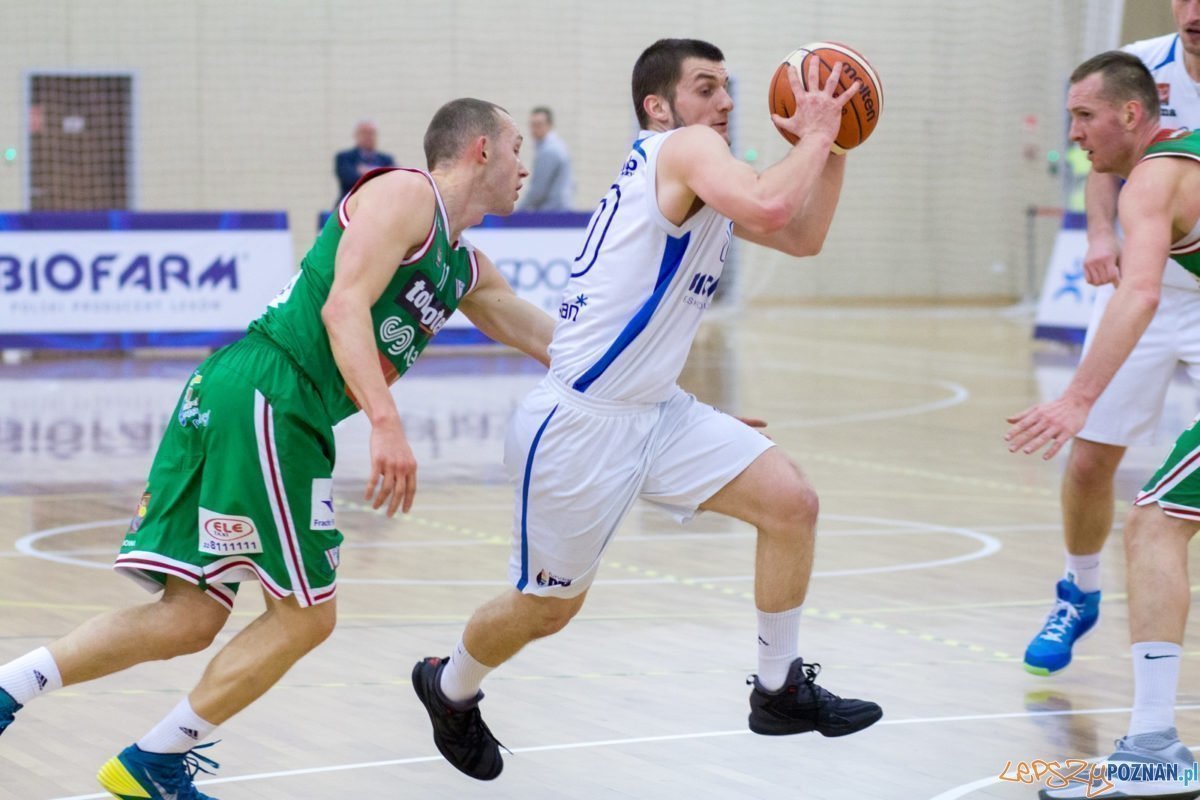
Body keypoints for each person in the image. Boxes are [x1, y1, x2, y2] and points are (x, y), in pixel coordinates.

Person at [0, 98, 551, 799]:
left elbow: (555, 344)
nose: (522, 166)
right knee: (308, 615)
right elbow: (342, 305)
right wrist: (385, 423)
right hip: (274, 392)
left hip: (245, 396)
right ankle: (156, 760)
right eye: (512, 149)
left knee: (191, 616)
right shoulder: (406, 194)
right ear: (479, 149)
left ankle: (10, 692)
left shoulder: (465, 268)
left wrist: (677, 405)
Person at [411, 38, 882, 783]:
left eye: (728, 87)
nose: (724, 102)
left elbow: (800, 233)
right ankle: (449, 685)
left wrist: (841, 144)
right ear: (658, 108)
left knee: (791, 502)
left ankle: (778, 688)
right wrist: (821, 130)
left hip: (658, 411)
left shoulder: (701, 171)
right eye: (705, 88)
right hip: (582, 425)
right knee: (547, 610)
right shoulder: (683, 148)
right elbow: (773, 201)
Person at [1008, 51, 1200, 796]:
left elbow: (1141, 292)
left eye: (1084, 116)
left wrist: (1078, 396)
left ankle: (1154, 745)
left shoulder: (1152, 180)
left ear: (1130, 113)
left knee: (1153, 522)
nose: (1075, 133)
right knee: (1150, 513)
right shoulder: (1170, 161)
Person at [516, 106, 573, 210]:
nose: (534, 129)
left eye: (539, 125)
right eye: (532, 125)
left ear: (550, 125)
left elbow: (538, 191)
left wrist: (518, 210)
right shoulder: (558, 146)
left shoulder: (549, 151)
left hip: (552, 213)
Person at [335, 120, 395, 197]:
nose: (368, 136)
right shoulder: (344, 158)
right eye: (364, 133)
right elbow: (350, 180)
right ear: (356, 135)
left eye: (371, 133)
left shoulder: (386, 159)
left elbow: (394, 181)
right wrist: (382, 172)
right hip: (350, 203)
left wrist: (366, 171)